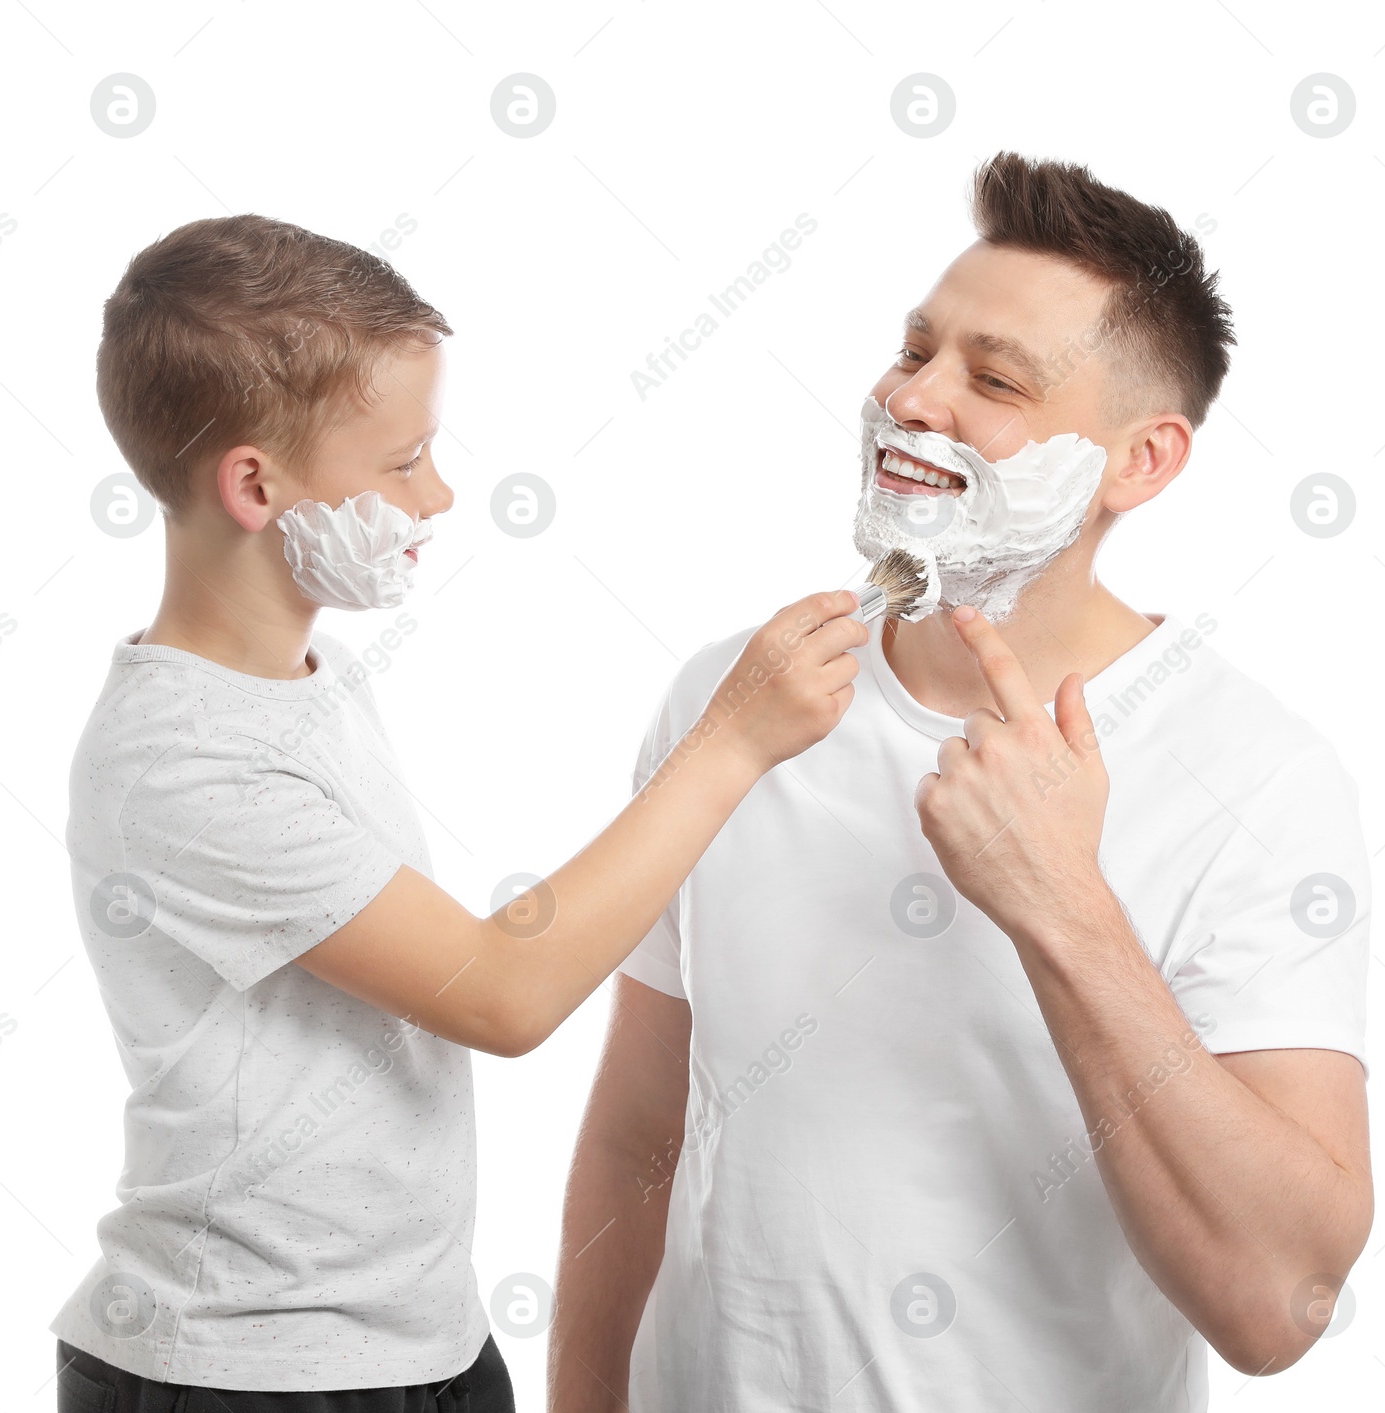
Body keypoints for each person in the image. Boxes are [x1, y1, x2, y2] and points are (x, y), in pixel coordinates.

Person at [550, 151, 1373, 1413]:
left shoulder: (1254, 776)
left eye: (994, 379)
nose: (913, 398)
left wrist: (1060, 902)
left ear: (1139, 464)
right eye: (914, 349)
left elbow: (1280, 1310)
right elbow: (635, 1134)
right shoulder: (738, 700)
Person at [49, 214, 867, 1411]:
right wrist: (730, 742)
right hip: (248, 1370)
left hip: (417, 1344)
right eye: (398, 464)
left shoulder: (305, 680)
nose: (436, 494)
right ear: (254, 484)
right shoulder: (185, 761)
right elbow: (500, 993)